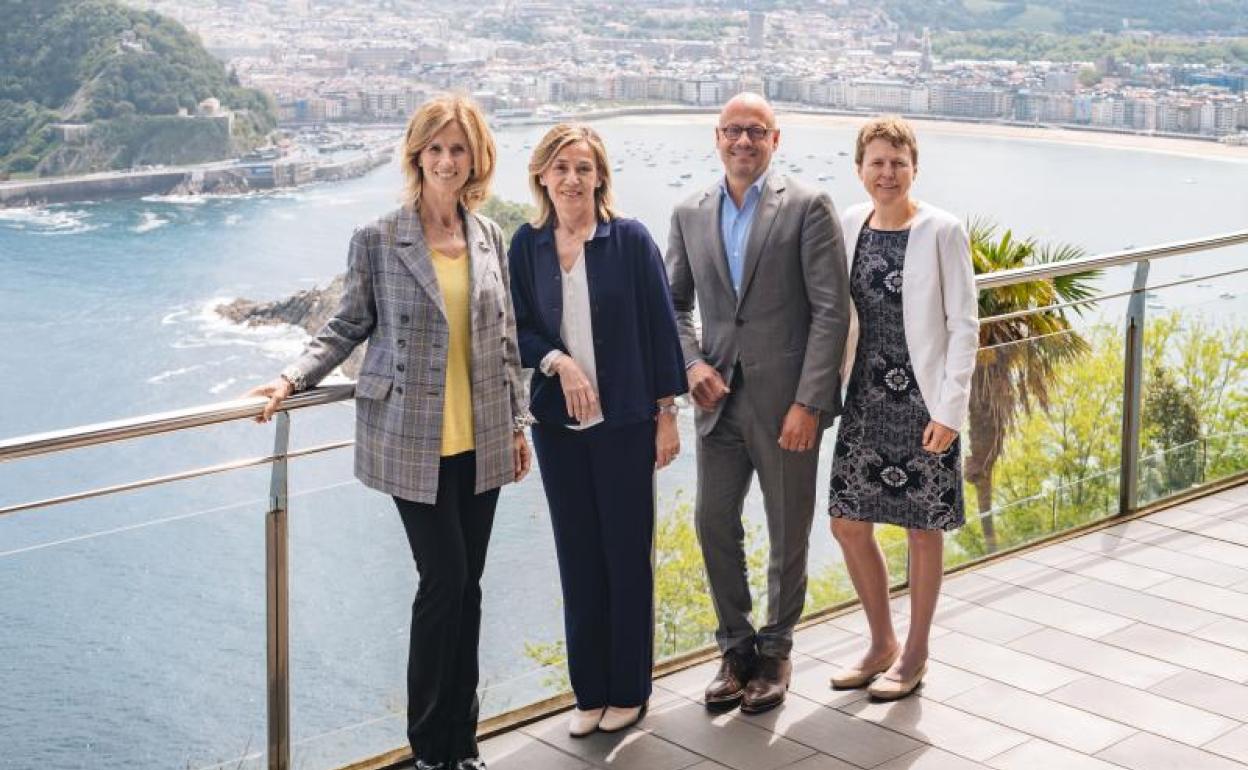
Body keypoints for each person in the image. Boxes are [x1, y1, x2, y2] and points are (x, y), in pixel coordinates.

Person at [246, 94, 531, 770]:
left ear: (476, 159)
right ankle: (429, 748)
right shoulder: (378, 239)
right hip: (412, 442)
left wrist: (520, 425)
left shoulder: (488, 237)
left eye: (458, 149)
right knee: (444, 580)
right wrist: (290, 378)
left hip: (484, 437)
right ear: (416, 155)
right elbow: (347, 325)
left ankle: (463, 744)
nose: (447, 161)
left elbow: (506, 341)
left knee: (469, 589)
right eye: (436, 149)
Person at [666, 93, 850, 714]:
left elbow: (831, 311)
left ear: (775, 139)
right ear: (716, 138)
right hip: (715, 400)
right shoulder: (688, 211)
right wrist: (691, 364)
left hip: (786, 405)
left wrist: (810, 403)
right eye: (732, 131)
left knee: (787, 528)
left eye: (755, 131)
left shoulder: (807, 206)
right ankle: (735, 647)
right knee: (712, 522)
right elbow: (673, 305)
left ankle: (776, 650)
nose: (743, 141)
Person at [508, 123, 687, 737]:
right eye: (560, 167)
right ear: (541, 175)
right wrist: (558, 362)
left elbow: (661, 327)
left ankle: (629, 689)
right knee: (578, 558)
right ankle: (589, 692)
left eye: (583, 168)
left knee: (625, 557)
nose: (572, 179)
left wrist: (667, 415)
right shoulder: (527, 244)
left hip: (626, 424)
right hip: (558, 430)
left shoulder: (629, 240)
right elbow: (519, 328)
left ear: (599, 176)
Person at [827, 116, 978, 701]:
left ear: (914, 167)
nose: (887, 173)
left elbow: (964, 325)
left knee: (921, 530)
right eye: (877, 162)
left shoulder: (942, 229)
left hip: (924, 402)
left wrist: (950, 411)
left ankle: (915, 653)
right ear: (859, 169)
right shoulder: (848, 224)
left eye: (898, 162)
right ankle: (881, 642)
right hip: (865, 398)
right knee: (847, 523)